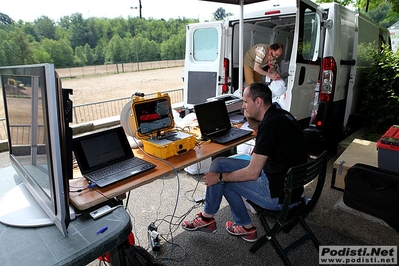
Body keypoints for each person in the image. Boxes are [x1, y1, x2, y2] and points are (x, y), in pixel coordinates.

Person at [182, 82, 308, 242]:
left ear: (259, 102)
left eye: (246, 102)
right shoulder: (281, 115)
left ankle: (241, 226)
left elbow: (252, 173)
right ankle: (209, 218)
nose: (243, 106)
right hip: (289, 185)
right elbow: (259, 133)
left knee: (224, 179)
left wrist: (219, 178)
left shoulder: (269, 126)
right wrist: (250, 116)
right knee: (219, 163)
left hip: (278, 196)